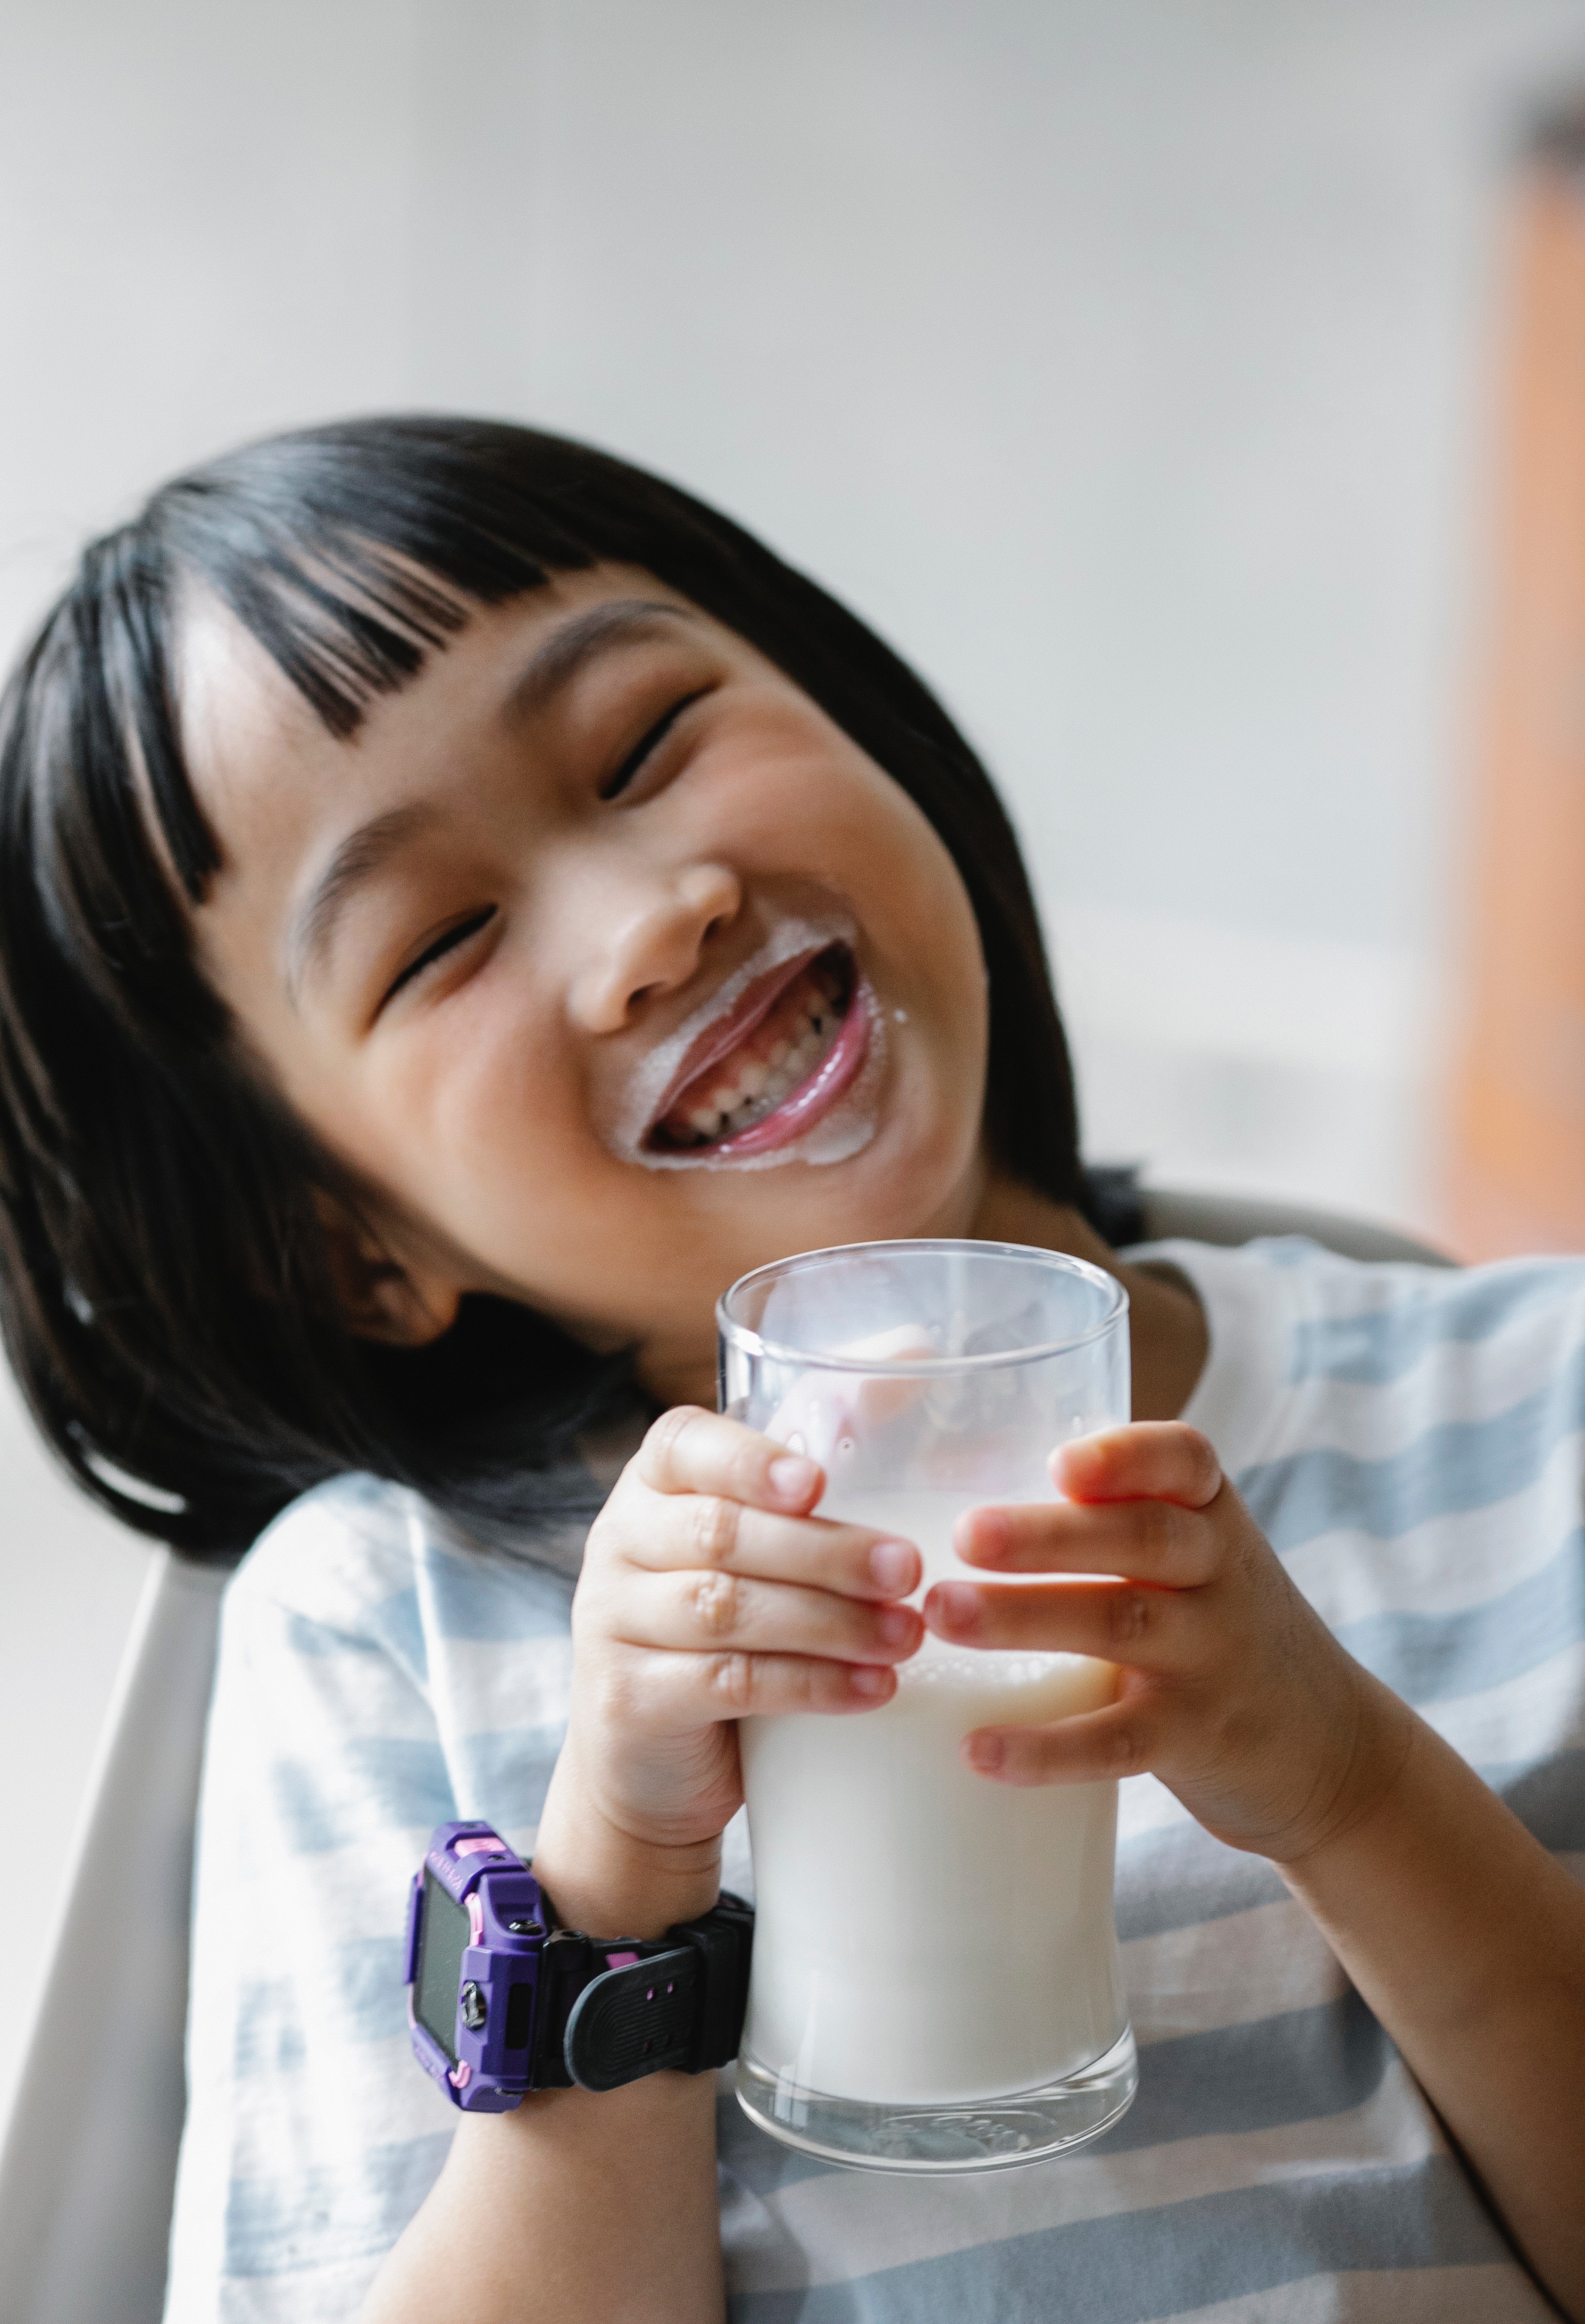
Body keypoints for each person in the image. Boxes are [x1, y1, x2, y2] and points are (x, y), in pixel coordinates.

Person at [0, 418, 1579, 2324]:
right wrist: (612, 1894)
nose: (652, 919)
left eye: (649, 745)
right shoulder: (387, 1624)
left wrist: (1348, 1790)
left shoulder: (1536, 1408)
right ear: (361, 1252)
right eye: (446, 939)